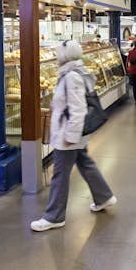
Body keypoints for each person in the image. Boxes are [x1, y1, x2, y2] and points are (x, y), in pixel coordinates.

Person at [31, 40, 116, 232]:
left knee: (59, 175)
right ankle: (104, 197)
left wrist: (71, 135)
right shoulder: (75, 73)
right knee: (85, 163)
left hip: (69, 134)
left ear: (65, 56)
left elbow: (77, 109)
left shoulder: (71, 76)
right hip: (72, 132)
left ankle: (54, 216)